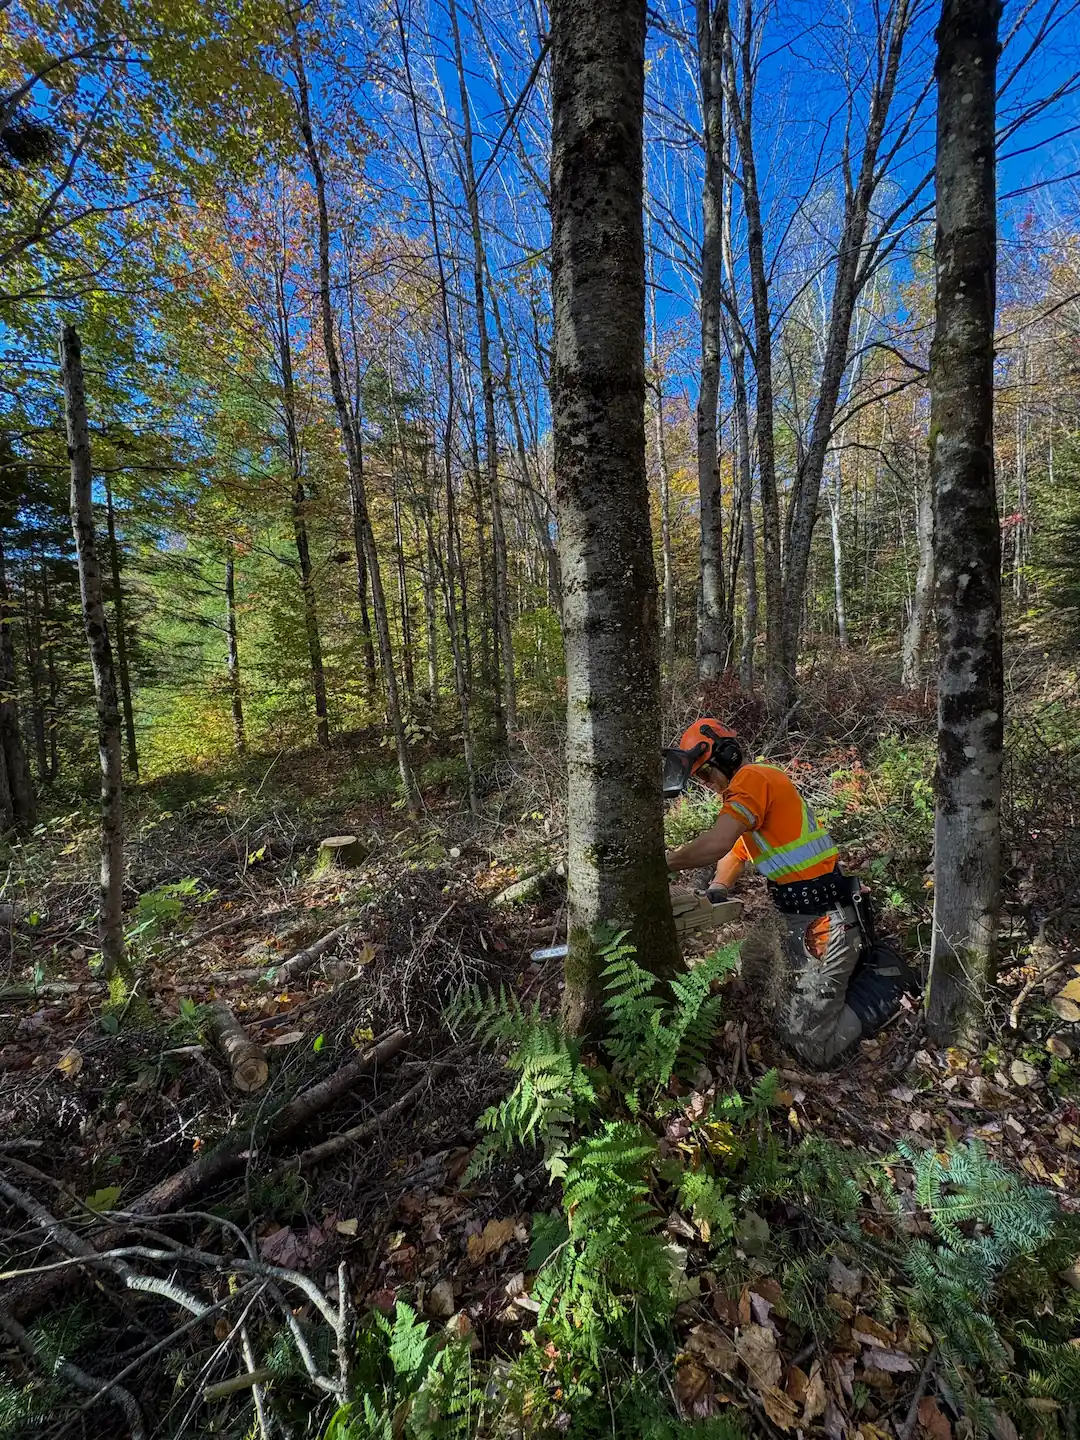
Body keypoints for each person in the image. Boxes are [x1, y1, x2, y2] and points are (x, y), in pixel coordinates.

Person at [662, 719, 916, 1067]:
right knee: (750, 968)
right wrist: (719, 888)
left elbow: (716, 842)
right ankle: (831, 980)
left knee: (811, 1045)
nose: (707, 785)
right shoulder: (748, 800)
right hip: (790, 914)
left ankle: (886, 976)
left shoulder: (752, 779)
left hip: (828, 918)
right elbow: (733, 851)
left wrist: (664, 863)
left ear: (727, 755)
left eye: (706, 775)